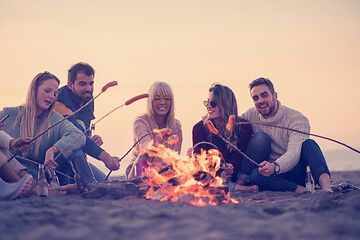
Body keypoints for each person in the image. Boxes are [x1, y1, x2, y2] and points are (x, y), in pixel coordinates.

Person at [0, 71, 96, 192]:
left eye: (55, 93)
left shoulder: (54, 118)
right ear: (34, 90)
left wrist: (53, 149)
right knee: (33, 178)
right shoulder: (9, 114)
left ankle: (91, 186)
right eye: (47, 91)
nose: (51, 96)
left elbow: (79, 136)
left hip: (48, 173)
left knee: (77, 148)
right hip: (20, 172)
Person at [242, 77, 332, 193]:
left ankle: (326, 188)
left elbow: (294, 153)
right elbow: (233, 128)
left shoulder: (296, 119)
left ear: (274, 96)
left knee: (309, 144)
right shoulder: (250, 116)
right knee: (255, 175)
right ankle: (303, 190)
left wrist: (275, 166)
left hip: (297, 170)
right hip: (275, 176)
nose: (260, 101)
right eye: (255, 98)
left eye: (264, 95)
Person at [192, 83, 268, 193]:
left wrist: (231, 166)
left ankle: (237, 185)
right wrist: (219, 172)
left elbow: (239, 155)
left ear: (225, 105)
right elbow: (199, 160)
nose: (208, 107)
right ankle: (233, 187)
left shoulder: (243, 126)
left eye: (213, 103)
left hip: (238, 174)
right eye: (207, 103)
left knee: (261, 138)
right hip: (211, 174)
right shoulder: (199, 128)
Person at [55, 62, 120, 182]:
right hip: (58, 161)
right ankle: (88, 184)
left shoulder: (87, 98)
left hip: (80, 159)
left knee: (107, 183)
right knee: (77, 128)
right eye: (82, 84)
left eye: (91, 83)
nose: (88, 89)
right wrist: (106, 157)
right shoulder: (60, 103)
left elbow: (84, 135)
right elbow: (77, 137)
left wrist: (91, 138)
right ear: (70, 84)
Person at [126, 81, 183, 178]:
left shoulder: (176, 126)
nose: (162, 102)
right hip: (139, 172)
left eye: (167, 99)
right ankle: (142, 186)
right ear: (150, 101)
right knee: (144, 153)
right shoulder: (141, 122)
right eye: (157, 99)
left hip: (164, 174)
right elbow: (147, 146)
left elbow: (175, 158)